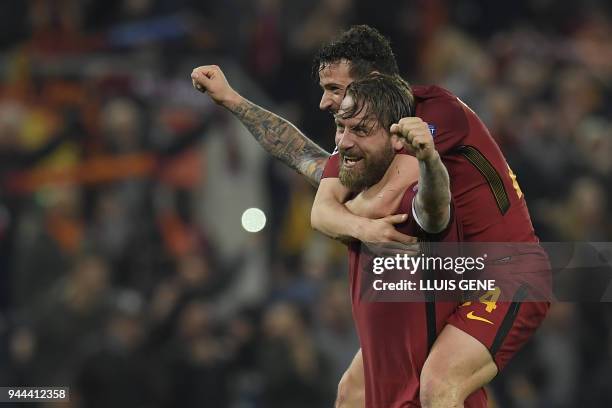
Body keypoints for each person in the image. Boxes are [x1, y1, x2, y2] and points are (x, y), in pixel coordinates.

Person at [190, 25, 549, 408]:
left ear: (374, 81)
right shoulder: (366, 134)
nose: (324, 103)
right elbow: (311, 176)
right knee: (353, 394)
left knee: (439, 385)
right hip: (446, 278)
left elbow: (356, 203)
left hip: (506, 272)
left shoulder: (434, 115)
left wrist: (346, 213)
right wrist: (231, 99)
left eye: (334, 88)